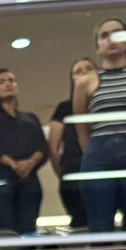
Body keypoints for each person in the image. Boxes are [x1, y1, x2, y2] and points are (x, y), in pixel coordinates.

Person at [74, 19, 126, 234]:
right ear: (97, 47)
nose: (111, 39)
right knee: (100, 224)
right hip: (98, 154)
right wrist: (91, 153)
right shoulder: (85, 82)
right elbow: (81, 126)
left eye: (117, 33)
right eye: (104, 35)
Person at [0, 68, 48, 235]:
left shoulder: (31, 118)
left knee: (28, 230)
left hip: (29, 183)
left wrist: (30, 163)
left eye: (11, 80)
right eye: (2, 82)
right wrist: (13, 164)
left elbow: (43, 147)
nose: (8, 84)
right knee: (5, 230)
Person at [48, 57, 96, 230]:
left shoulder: (102, 106)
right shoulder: (65, 108)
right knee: (80, 221)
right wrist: (64, 174)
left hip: (101, 171)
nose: (84, 74)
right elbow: (53, 148)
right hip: (73, 172)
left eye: (88, 69)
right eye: (78, 71)